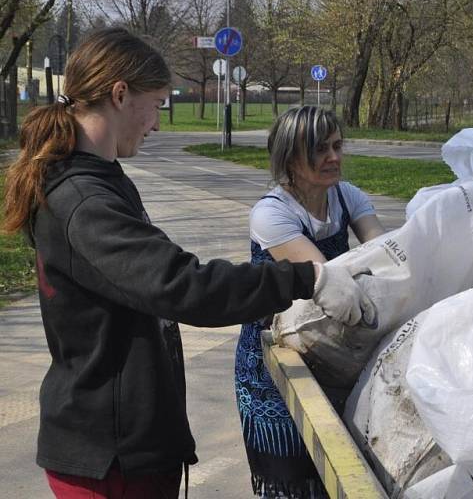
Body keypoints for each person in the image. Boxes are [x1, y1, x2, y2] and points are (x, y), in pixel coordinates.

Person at [1, 28, 373, 499]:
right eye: (157, 103)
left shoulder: (100, 179)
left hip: (131, 443)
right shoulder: (82, 199)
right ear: (120, 95)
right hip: (108, 456)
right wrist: (308, 277)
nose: (156, 123)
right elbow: (183, 286)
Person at [234, 106, 385, 499]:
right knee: (291, 476)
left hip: (332, 351)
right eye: (320, 149)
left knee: (338, 471)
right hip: (276, 363)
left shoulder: (347, 198)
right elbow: (327, 282)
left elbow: (383, 257)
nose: (333, 157)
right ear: (289, 157)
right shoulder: (272, 213)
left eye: (337, 146)